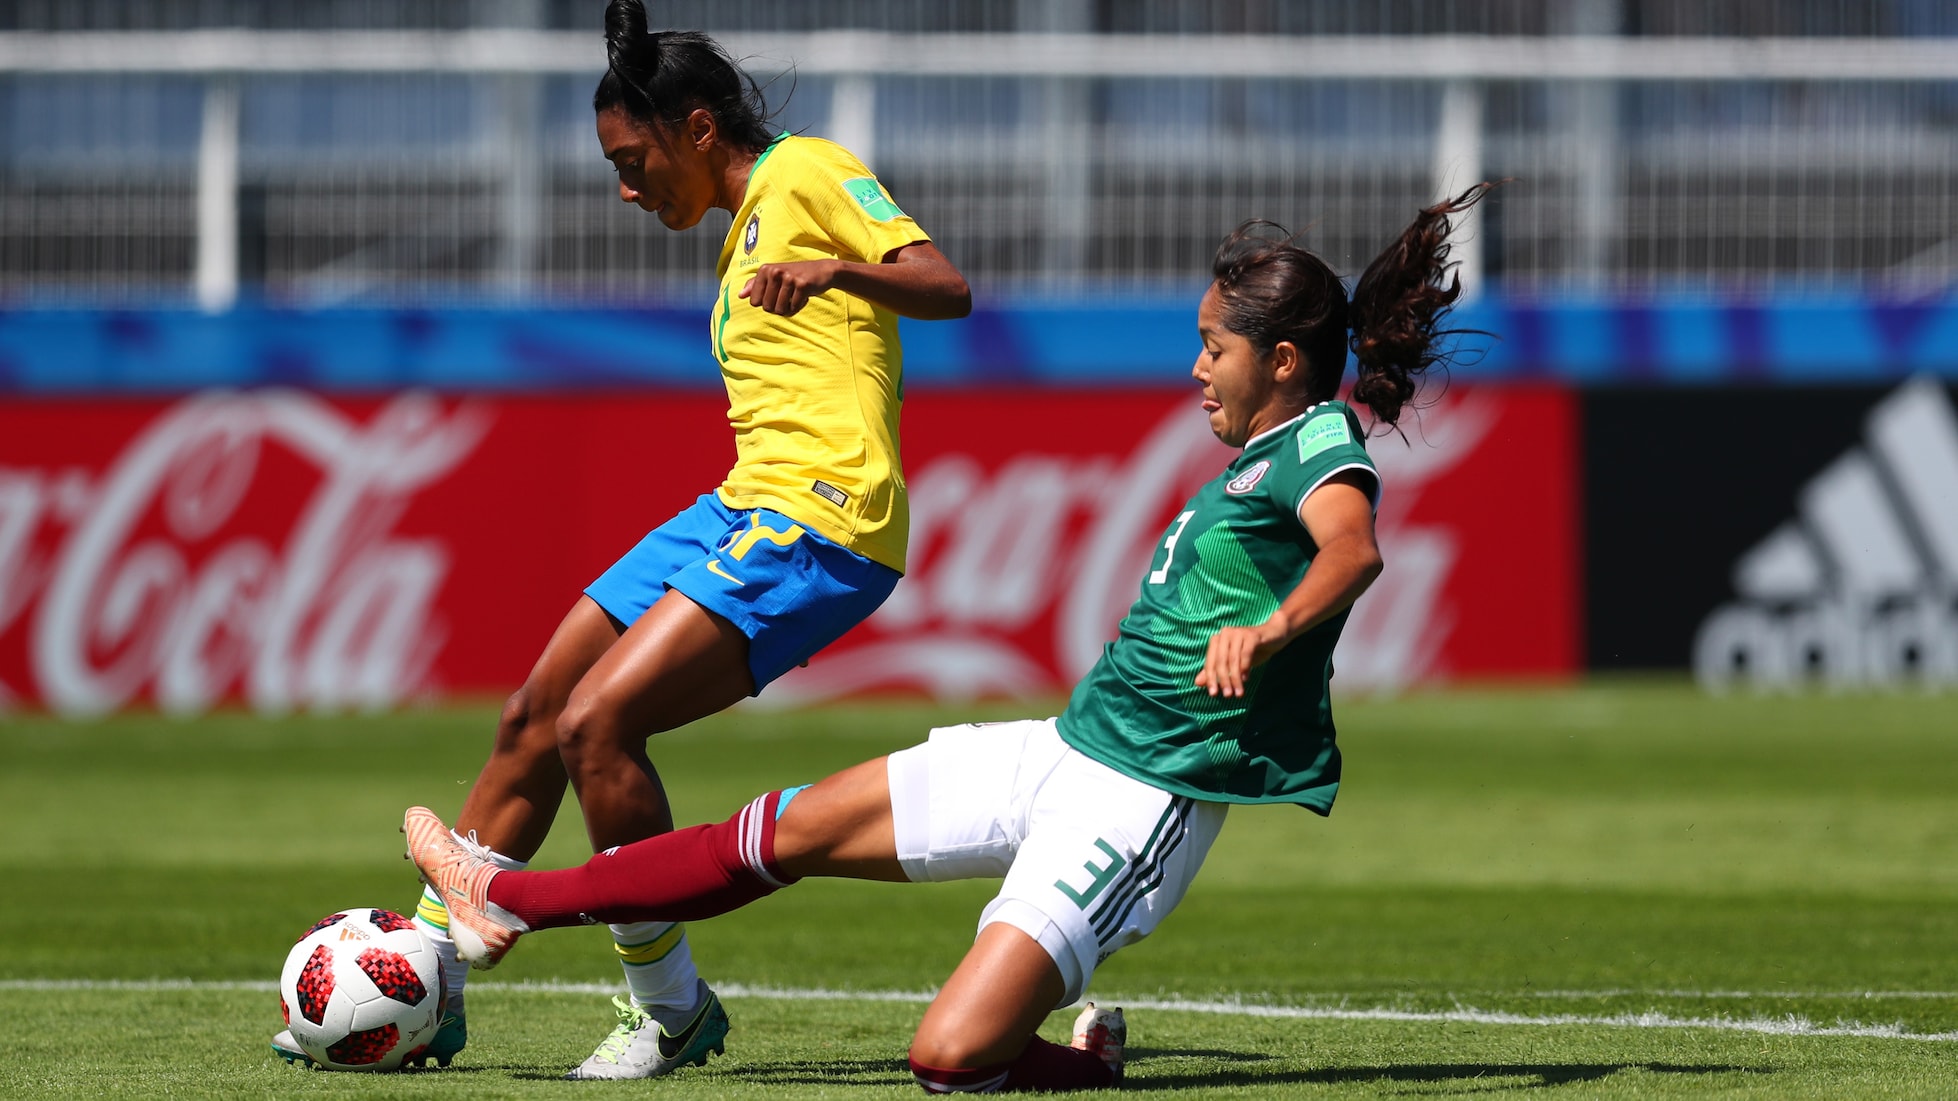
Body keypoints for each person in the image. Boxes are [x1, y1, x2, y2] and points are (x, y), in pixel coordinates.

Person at [405, 184, 1492, 1091]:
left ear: (1286, 361)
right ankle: (497, 896)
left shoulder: (1317, 445)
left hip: (1138, 799)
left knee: (948, 1059)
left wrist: (1268, 628)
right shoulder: (1262, 451)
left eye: (1213, 348)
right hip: (1061, 748)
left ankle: (1078, 1069)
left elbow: (1351, 553)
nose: (1196, 369)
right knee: (775, 837)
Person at [271, 0, 970, 1079]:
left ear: (697, 129)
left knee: (596, 726)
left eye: (631, 158)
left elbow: (945, 287)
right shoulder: (742, 225)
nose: (624, 185)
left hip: (824, 519)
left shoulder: (810, 174)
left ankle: (672, 1008)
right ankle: (425, 983)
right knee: (535, 711)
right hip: (744, 505)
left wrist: (837, 271)